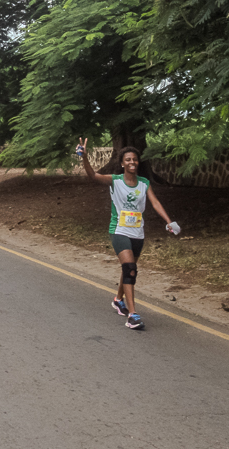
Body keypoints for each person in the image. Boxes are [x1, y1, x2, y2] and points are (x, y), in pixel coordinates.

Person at [78, 138, 179, 331]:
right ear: (122, 163)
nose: (132, 162)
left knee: (128, 270)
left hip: (137, 233)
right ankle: (133, 315)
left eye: (135, 159)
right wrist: (84, 157)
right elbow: (93, 176)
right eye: (128, 160)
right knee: (131, 269)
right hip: (119, 230)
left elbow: (155, 203)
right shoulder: (115, 181)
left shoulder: (144, 183)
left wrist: (168, 221)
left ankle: (118, 300)